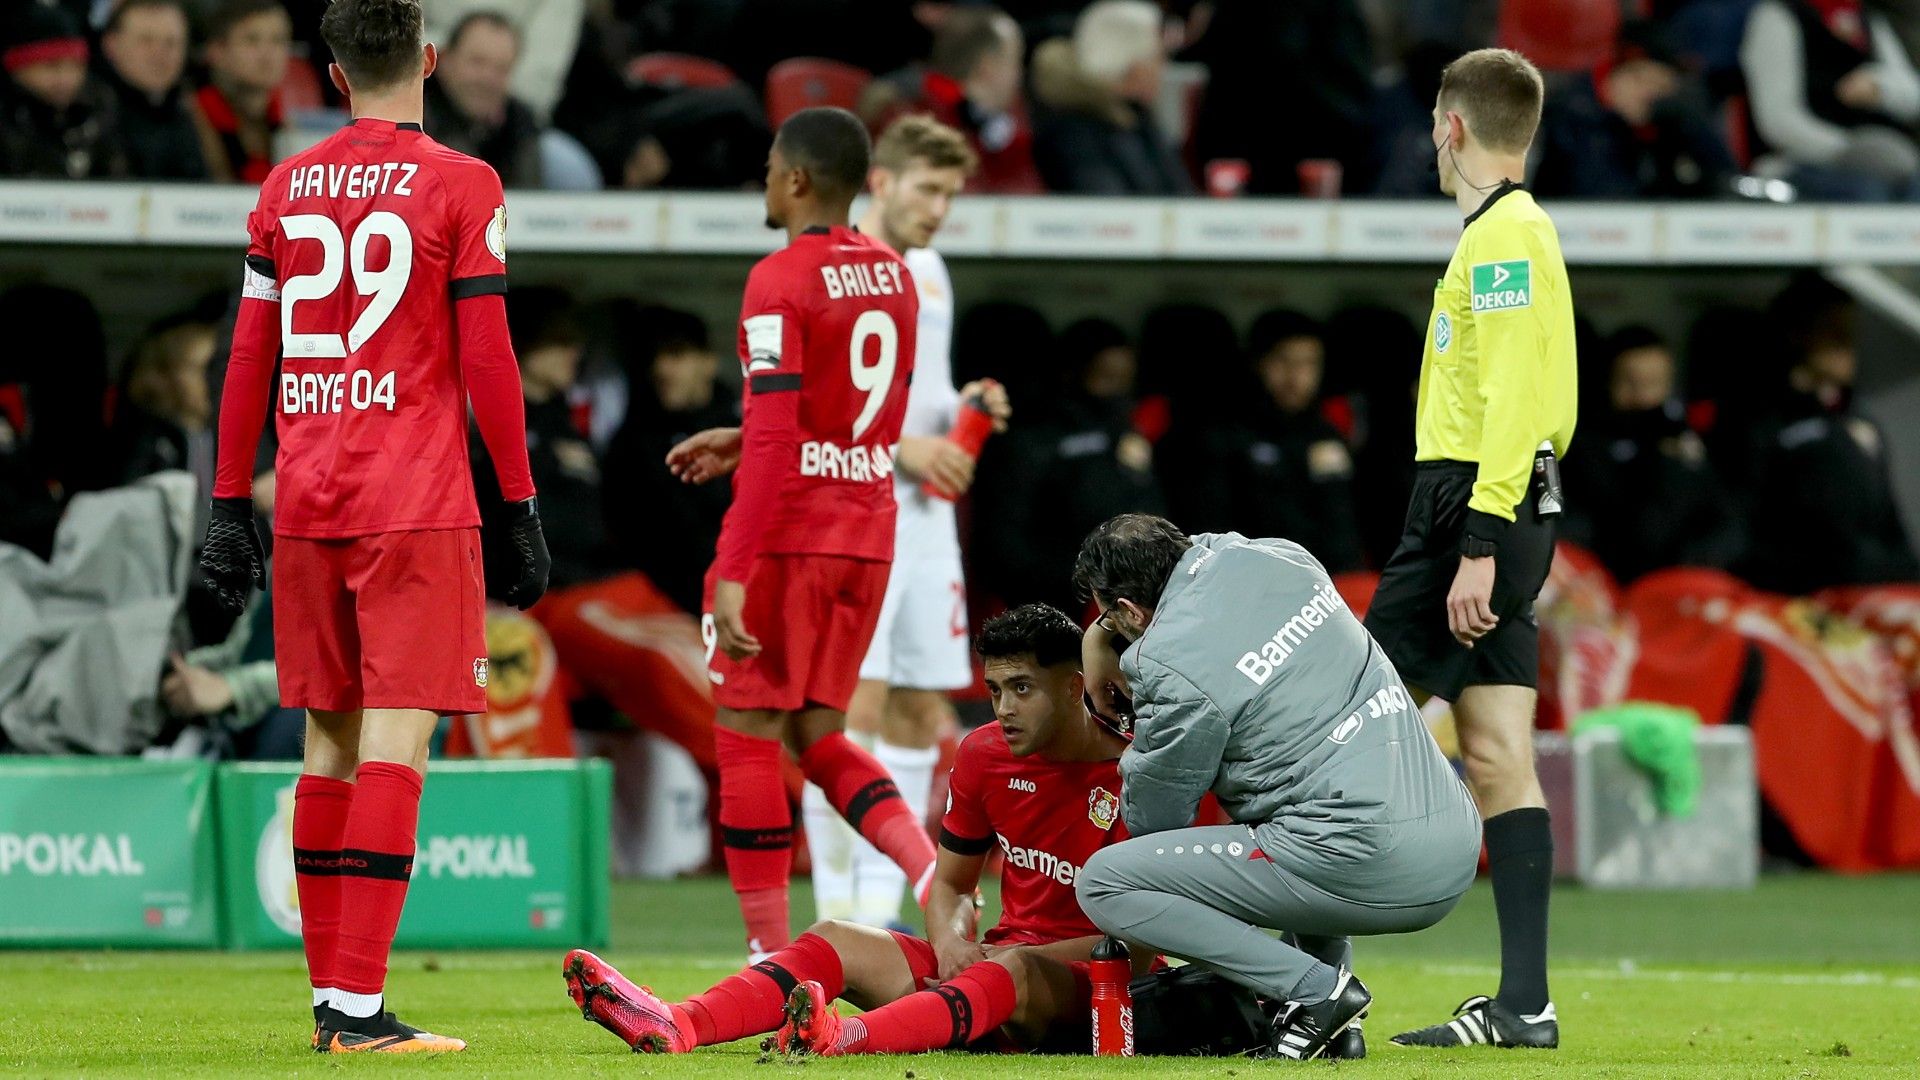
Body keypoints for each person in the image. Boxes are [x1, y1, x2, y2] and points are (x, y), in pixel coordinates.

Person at [196, 0, 550, 1053]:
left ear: (335, 78)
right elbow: (488, 359)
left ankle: (331, 1004)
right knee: (402, 741)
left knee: (327, 744)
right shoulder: (464, 182)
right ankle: (358, 1011)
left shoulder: (285, 184)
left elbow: (245, 358)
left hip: (307, 501)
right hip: (415, 504)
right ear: (430, 61)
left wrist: (227, 501)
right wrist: (520, 502)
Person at [562, 604, 1138, 1056]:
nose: (1004, 709)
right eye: (994, 690)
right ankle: (680, 1021)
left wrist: (992, 961)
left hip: (1093, 991)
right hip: (992, 968)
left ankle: (839, 1038)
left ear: (1071, 687)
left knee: (1009, 969)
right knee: (836, 936)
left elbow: (1141, 938)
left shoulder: (1135, 773)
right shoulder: (985, 755)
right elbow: (951, 886)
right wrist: (951, 944)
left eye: (1022, 689)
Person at [661, 107, 936, 962]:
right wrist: (743, 431)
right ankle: (935, 883)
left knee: (745, 737)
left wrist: (733, 566)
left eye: (773, 164)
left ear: (798, 181)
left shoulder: (779, 278)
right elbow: (854, 418)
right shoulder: (894, 274)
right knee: (821, 737)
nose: (766, 178)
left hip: (788, 539)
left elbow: (785, 438)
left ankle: (770, 963)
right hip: (866, 533)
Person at [1072, 515, 1482, 1061]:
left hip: (1369, 860)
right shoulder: (1283, 557)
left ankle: (1319, 994)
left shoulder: (1167, 662)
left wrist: (1118, 678)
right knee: (1291, 816)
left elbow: (1156, 817)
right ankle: (1335, 1030)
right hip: (1454, 839)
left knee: (1105, 884)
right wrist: (1103, 634)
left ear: (1128, 611)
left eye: (1109, 617)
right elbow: (1206, 552)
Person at [1358, 48, 1576, 1050]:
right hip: (1503, 501)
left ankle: (1307, 988)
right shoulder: (1517, 232)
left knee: (1341, 735)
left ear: (1450, 128)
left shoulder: (1500, 239)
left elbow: (1515, 405)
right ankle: (1524, 1006)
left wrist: (1482, 542)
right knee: (1495, 755)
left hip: (1468, 507)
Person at [804, 116, 1011, 930]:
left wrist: (964, 414)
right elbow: (817, 405)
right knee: (856, 707)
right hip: (857, 506)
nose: (940, 208)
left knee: (921, 708)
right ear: (880, 182)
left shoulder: (930, 268)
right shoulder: (834, 265)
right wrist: (910, 448)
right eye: (928, 189)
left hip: (926, 520)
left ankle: (878, 916)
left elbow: (923, 384)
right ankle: (835, 917)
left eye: (951, 194)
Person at [1740, 277, 1919, 593]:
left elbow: (1891, 525)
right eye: (1833, 330)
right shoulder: (1763, 422)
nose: (1847, 343)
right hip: (1802, 601)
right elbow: (1750, 524)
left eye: (1851, 331)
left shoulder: (1861, 422)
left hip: (1874, 595)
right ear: (1797, 334)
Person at [1172, 310, 1364, 573]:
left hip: (1320, 585)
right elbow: (1212, 529)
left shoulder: (1326, 436)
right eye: (1284, 361)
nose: (1296, 376)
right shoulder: (1226, 433)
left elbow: (1344, 532)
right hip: (1245, 578)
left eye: (1309, 364)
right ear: (1259, 362)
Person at [1559, 328, 1743, 582]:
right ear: (1607, 381)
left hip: (1677, 584)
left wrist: (1692, 568)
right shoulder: (1578, 446)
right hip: (1600, 587)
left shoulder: (1688, 443)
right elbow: (1571, 528)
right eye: (1631, 383)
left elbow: (1727, 523)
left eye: (1655, 383)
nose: (1644, 397)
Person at [601, 305, 736, 617]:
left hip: (737, 595)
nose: (662, 369)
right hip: (662, 609)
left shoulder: (743, 430)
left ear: (708, 363)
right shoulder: (634, 440)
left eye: (676, 355)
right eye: (655, 357)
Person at [1532, 19, 1736, 200]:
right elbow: (1605, 195)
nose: (1648, 95)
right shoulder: (1567, 115)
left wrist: (1694, 126)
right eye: (1639, 80)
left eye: (1660, 89)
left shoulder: (1667, 124)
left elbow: (1726, 182)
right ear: (1611, 73)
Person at [1740, 0, 1920, 201]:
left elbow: (1912, 96)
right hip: (1800, 162)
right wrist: (1847, 151)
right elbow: (1777, 121)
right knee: (1868, 192)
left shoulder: (1867, 18)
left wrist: (1880, 87)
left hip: (1881, 158)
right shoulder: (1778, 16)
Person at [860, 7, 1044, 194]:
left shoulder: (1006, 124)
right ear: (987, 67)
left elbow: (1028, 198)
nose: (1019, 76)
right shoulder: (911, 118)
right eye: (1015, 61)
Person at [1030, 0, 1191, 195]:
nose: (1162, 69)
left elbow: (1182, 196)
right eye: (1157, 57)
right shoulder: (1072, 133)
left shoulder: (1138, 119)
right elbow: (1110, 209)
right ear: (1130, 62)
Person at [0, 2, 127, 180]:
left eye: (75, 67)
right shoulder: (8, 122)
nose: (66, 79)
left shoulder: (101, 113)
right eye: (51, 66)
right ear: (19, 69)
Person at [422, 11, 543, 188]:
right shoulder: (411, 112)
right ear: (445, 60)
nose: (487, 79)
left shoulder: (520, 127)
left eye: (501, 68)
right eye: (477, 62)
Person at [97, 0, 209, 180]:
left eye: (171, 43)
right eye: (146, 41)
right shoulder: (90, 116)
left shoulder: (188, 114)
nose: (159, 54)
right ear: (111, 45)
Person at [192, 0, 292, 185]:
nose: (267, 54)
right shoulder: (192, 120)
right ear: (217, 51)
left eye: (278, 40)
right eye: (252, 40)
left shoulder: (287, 124)